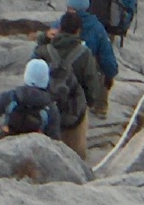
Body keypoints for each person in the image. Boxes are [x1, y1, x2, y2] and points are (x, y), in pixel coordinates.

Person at [33, 11, 105, 162]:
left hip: (45, 110)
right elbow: (92, 85)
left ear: (60, 28)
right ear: (78, 30)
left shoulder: (44, 50)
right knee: (76, 159)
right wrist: (87, 103)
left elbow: (32, 70)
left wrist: (43, 38)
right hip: (74, 114)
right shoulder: (85, 54)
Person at [0, 58, 64, 140]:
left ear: (26, 76)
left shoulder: (12, 96)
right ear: (46, 79)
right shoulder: (50, 107)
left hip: (8, 138)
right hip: (36, 146)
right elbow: (54, 138)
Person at [63, 0, 119, 113]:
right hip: (87, 78)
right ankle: (100, 106)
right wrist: (110, 75)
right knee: (101, 70)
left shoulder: (60, 23)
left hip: (63, 76)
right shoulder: (96, 27)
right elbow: (107, 58)